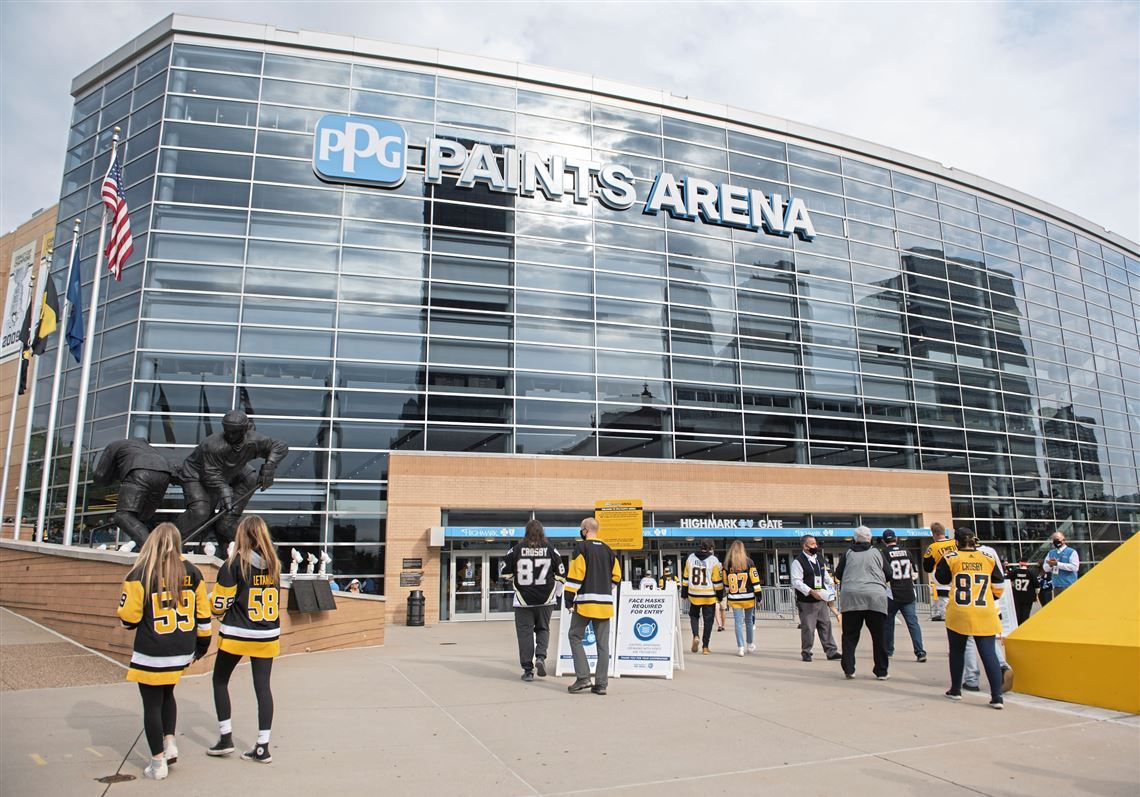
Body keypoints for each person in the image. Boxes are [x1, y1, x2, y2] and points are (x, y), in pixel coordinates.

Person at [116, 523, 211, 780]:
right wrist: (201, 645)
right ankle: (169, 743)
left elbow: (128, 618)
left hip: (152, 649)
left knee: (151, 704)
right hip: (181, 648)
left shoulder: (140, 573)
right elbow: (203, 614)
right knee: (168, 694)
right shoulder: (193, 571)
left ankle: (157, 762)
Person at [207, 515, 281, 763]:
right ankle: (263, 746)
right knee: (263, 689)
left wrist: (215, 610)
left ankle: (225, 738)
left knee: (220, 680)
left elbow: (219, 604)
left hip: (238, 632)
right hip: (266, 634)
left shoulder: (234, 564)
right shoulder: (274, 565)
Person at [176, 410, 289, 552]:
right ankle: (168, 543)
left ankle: (234, 533)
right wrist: (225, 491)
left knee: (249, 481)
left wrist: (270, 466)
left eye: (235, 432)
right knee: (201, 513)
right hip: (197, 474)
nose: (230, 435)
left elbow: (280, 446)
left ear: (244, 430)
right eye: (227, 431)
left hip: (229, 470)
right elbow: (211, 474)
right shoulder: (212, 445)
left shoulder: (254, 440)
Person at [935, 527, 1007, 709]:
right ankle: (997, 696)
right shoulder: (989, 558)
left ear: (956, 542)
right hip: (985, 610)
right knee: (988, 653)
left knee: (957, 651)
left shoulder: (952, 557)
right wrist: (991, 598)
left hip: (959, 611)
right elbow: (999, 585)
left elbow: (941, 579)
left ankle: (956, 690)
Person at [501, 519, 565, 681]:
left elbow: (505, 573)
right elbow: (561, 574)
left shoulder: (516, 550)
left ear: (526, 532)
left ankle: (528, 670)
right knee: (543, 629)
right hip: (546, 599)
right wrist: (556, 592)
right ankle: (541, 657)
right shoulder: (551, 549)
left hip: (523, 600)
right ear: (542, 532)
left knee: (525, 634)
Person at [563, 518, 621, 695]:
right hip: (604, 605)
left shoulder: (582, 548)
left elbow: (575, 575)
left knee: (574, 636)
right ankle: (601, 684)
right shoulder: (609, 551)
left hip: (585, 604)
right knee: (603, 645)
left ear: (586, 530)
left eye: (581, 529)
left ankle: (583, 678)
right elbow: (617, 577)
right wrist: (604, 587)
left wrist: (568, 598)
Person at [93, 438, 181, 552]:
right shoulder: (151, 450)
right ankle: (143, 547)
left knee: (122, 516)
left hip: (138, 472)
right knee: (140, 519)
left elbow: (100, 477)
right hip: (164, 475)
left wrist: (116, 476)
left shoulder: (115, 445)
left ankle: (155, 550)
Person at [834, 526, 889, 680]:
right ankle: (881, 671)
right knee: (879, 636)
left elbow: (838, 573)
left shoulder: (848, 553)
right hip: (875, 597)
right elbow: (889, 573)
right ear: (870, 539)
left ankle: (849, 668)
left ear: (855, 539)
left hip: (851, 596)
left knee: (850, 635)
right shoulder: (877, 552)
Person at [962, 542, 1014, 695]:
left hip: (970, 604)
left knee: (969, 640)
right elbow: (999, 579)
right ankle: (1003, 666)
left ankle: (971, 679)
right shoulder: (990, 553)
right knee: (988, 639)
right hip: (989, 603)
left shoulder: (962, 556)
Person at [790, 534, 841, 662]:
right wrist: (810, 591)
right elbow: (796, 581)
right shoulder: (798, 561)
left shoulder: (819, 558)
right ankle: (806, 651)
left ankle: (831, 651)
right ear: (805, 546)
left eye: (815, 544)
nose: (815, 546)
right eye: (812, 544)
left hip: (821, 598)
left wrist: (831, 583)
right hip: (807, 601)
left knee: (825, 624)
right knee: (808, 627)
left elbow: (825, 574)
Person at [881, 530, 926, 662]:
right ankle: (920, 652)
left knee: (888, 623)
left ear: (884, 540)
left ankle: (889, 650)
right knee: (913, 623)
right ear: (897, 538)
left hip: (892, 593)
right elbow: (914, 573)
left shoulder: (884, 553)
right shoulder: (907, 552)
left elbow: (883, 574)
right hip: (908, 591)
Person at [683, 539, 724, 655]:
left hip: (694, 593)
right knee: (708, 621)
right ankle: (705, 647)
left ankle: (696, 635)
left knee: (694, 616)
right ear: (711, 548)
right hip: (708, 595)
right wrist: (720, 596)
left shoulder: (691, 558)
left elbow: (685, 577)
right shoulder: (713, 560)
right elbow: (717, 581)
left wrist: (684, 593)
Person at [722, 540, 761, 656]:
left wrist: (729, 592)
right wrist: (759, 595)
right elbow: (755, 580)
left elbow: (725, 583)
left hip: (735, 597)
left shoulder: (727, 564)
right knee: (749, 621)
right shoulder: (749, 562)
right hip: (748, 596)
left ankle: (740, 647)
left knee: (738, 622)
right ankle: (750, 644)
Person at [922, 522, 956, 621]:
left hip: (942, 581)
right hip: (957, 578)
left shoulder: (933, 547)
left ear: (935, 534)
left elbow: (927, 567)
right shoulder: (955, 543)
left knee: (945, 608)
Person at [1042, 531, 1079, 597]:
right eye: (1054, 540)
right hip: (1056, 586)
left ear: (1063, 540)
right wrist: (1050, 565)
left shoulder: (1071, 552)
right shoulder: (1051, 553)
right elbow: (1045, 568)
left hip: (1069, 585)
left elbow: (1075, 567)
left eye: (1057, 539)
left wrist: (1057, 564)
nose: (1055, 541)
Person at [1006, 556, 1038, 625]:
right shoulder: (1031, 573)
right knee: (1026, 614)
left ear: (1020, 564)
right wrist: (1036, 595)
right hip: (1028, 597)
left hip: (1017, 596)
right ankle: (1024, 627)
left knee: (1018, 614)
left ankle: (1018, 627)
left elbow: (1006, 579)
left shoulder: (1015, 572)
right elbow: (1037, 586)